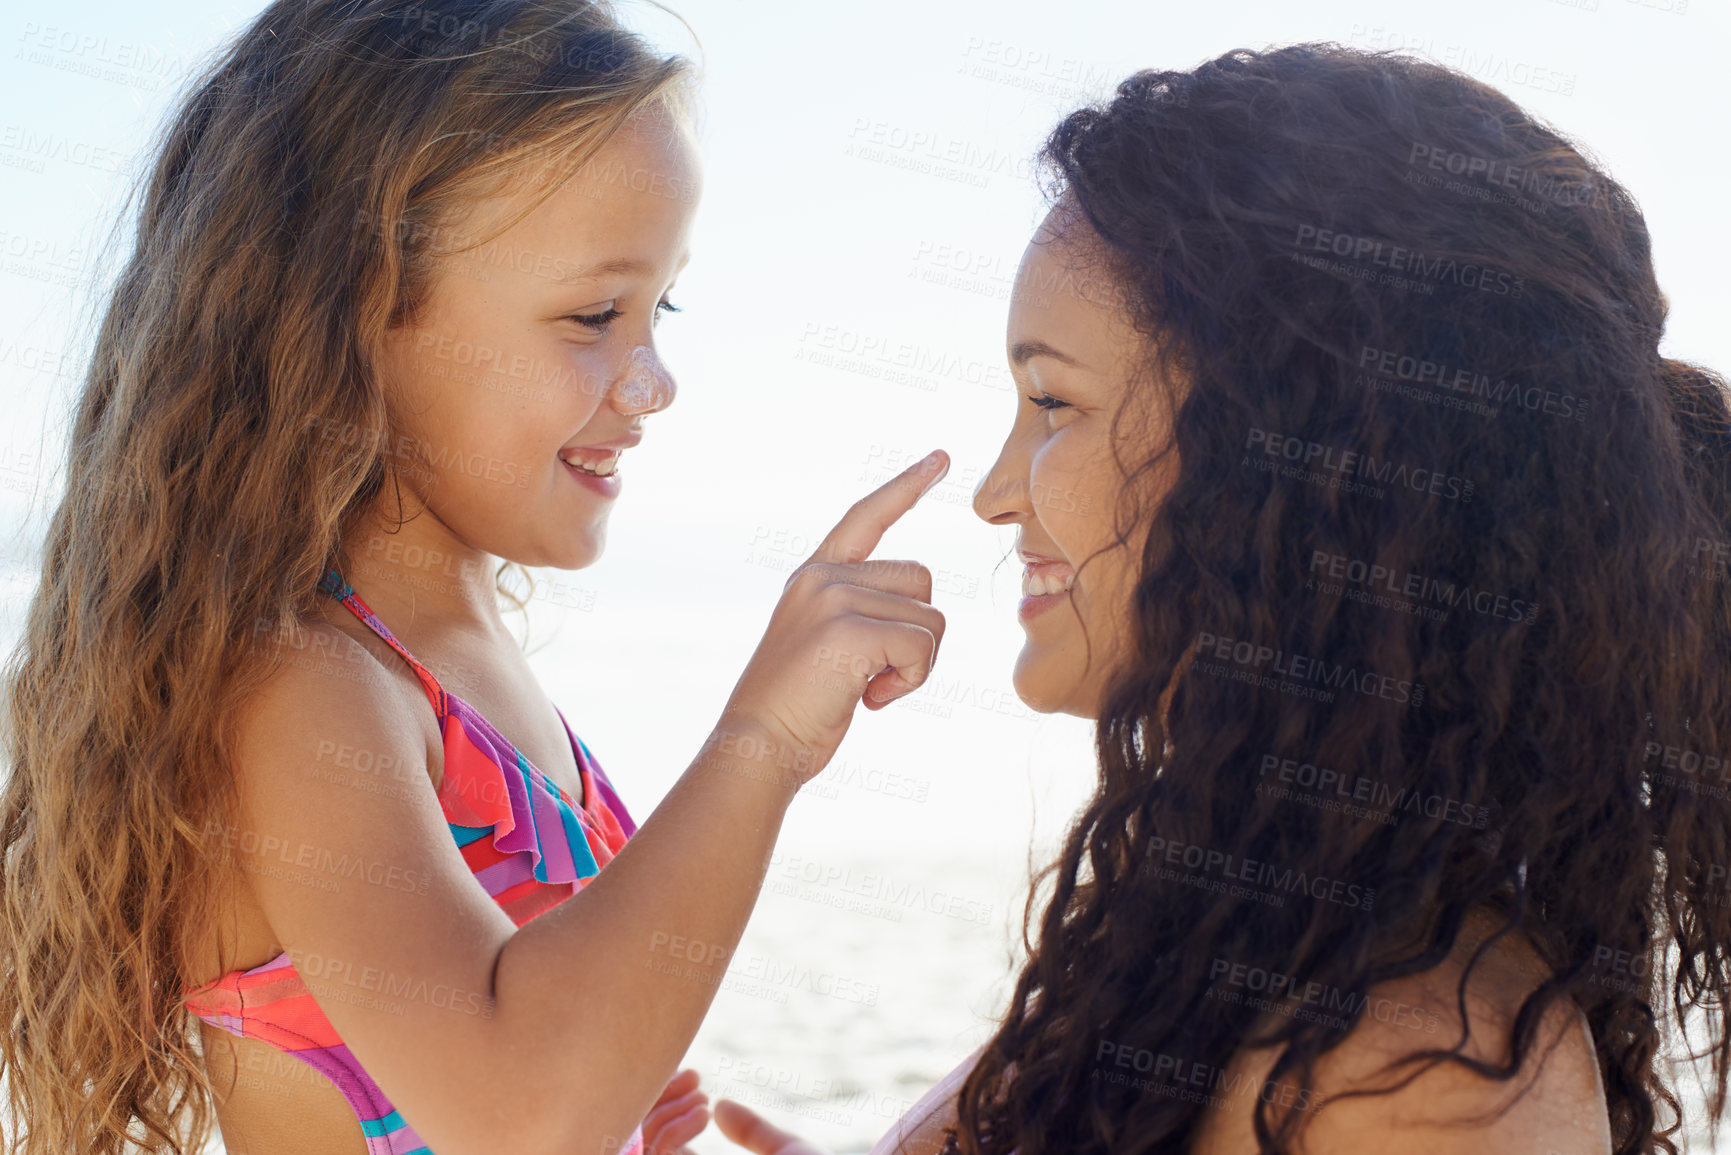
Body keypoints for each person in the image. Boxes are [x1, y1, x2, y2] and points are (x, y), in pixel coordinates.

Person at [707, 42, 1731, 1155]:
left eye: (1054, 401)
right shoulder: (1235, 943)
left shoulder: (1414, 1070)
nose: (999, 497)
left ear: (1287, 458)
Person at [0, 3, 951, 1153]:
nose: (653, 382)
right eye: (595, 315)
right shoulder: (304, 688)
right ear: (357, 313)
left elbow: (555, 1075)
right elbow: (520, 1117)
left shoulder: (457, 658)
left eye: (663, 309)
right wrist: (764, 740)